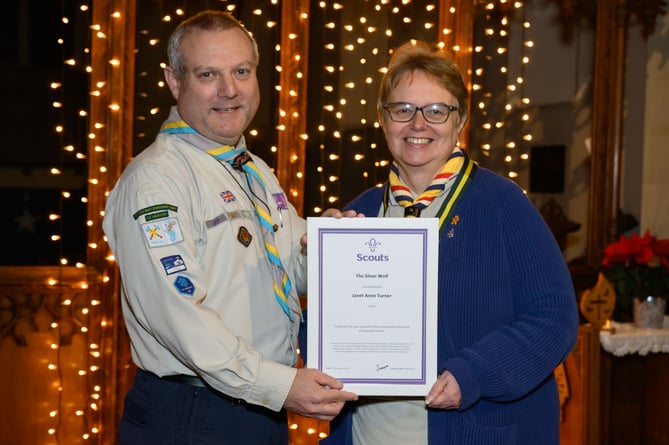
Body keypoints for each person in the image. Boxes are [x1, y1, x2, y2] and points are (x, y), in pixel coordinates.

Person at [102, 10, 356, 445]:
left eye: (241, 71)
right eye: (208, 74)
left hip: (254, 407)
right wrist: (279, 386)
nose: (229, 90)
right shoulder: (157, 179)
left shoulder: (251, 169)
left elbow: (286, 274)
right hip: (195, 413)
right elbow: (179, 315)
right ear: (174, 80)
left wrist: (323, 250)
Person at [321, 41, 579, 444]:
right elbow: (321, 341)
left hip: (476, 430)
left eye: (437, 110)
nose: (418, 124)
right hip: (372, 434)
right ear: (383, 119)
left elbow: (553, 319)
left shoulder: (502, 203)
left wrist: (473, 373)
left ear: (460, 120)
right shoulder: (358, 215)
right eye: (402, 109)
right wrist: (323, 268)